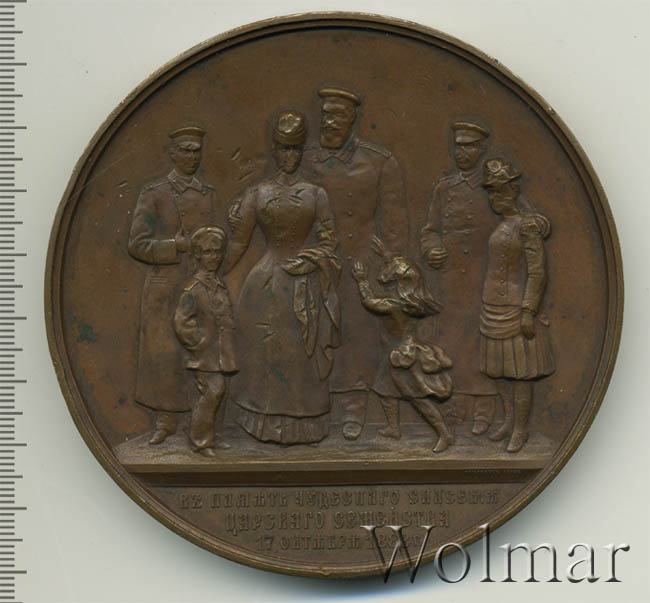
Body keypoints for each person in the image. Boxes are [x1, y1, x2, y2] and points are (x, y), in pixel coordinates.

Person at [224, 110, 340, 445]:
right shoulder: (257, 193)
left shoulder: (316, 194)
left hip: (304, 283)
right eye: (284, 149)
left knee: (300, 358)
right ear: (274, 150)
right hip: (263, 286)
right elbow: (238, 243)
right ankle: (262, 423)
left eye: (295, 149)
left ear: (302, 151)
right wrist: (214, 272)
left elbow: (329, 241)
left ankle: (304, 426)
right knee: (265, 353)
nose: (290, 156)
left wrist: (311, 260)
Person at [305, 86, 409, 440]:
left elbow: (394, 222)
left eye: (337, 116)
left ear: (352, 119)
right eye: (325, 115)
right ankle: (313, 406)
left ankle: (353, 407)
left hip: (359, 263)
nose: (329, 123)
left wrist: (391, 263)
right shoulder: (307, 160)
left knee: (356, 337)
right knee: (314, 333)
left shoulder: (379, 161)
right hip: (316, 262)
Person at [128, 126, 217, 445]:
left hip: (198, 285)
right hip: (163, 288)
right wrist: (173, 246)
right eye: (186, 150)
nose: (192, 157)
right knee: (164, 355)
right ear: (172, 153)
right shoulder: (154, 193)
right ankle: (165, 422)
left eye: (196, 151)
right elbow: (136, 244)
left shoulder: (207, 194)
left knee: (199, 352)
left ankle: (200, 422)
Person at [420, 121, 498, 436]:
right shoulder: (445, 187)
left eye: (470, 146)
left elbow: (523, 216)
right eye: (459, 146)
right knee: (451, 344)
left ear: (482, 149)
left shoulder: (494, 185)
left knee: (480, 344)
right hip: (450, 281)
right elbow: (430, 231)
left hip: (483, 278)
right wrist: (432, 250)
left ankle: (484, 409)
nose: (463, 153)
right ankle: (455, 406)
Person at [479, 157, 555, 452]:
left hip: (516, 308)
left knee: (521, 373)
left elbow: (537, 272)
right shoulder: (501, 226)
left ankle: (521, 429)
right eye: (491, 192)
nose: (495, 198)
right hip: (492, 307)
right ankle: (508, 420)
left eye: (500, 191)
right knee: (499, 370)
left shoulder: (528, 226)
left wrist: (528, 310)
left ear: (513, 191)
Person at [351, 237, 454, 453]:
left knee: (417, 399)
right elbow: (405, 268)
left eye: (390, 278)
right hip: (394, 353)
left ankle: (444, 433)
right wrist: (386, 254)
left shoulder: (393, 305)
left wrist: (362, 280)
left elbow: (369, 302)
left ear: (397, 284)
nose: (385, 278)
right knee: (384, 390)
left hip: (403, 356)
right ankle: (393, 428)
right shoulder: (412, 301)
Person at [173, 226, 237, 457]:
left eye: (218, 252)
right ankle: (200, 442)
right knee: (212, 393)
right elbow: (181, 322)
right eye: (208, 252)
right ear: (198, 255)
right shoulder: (193, 289)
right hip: (205, 355)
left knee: (220, 394)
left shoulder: (218, 284)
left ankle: (216, 436)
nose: (214, 257)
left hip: (222, 354)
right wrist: (198, 344)